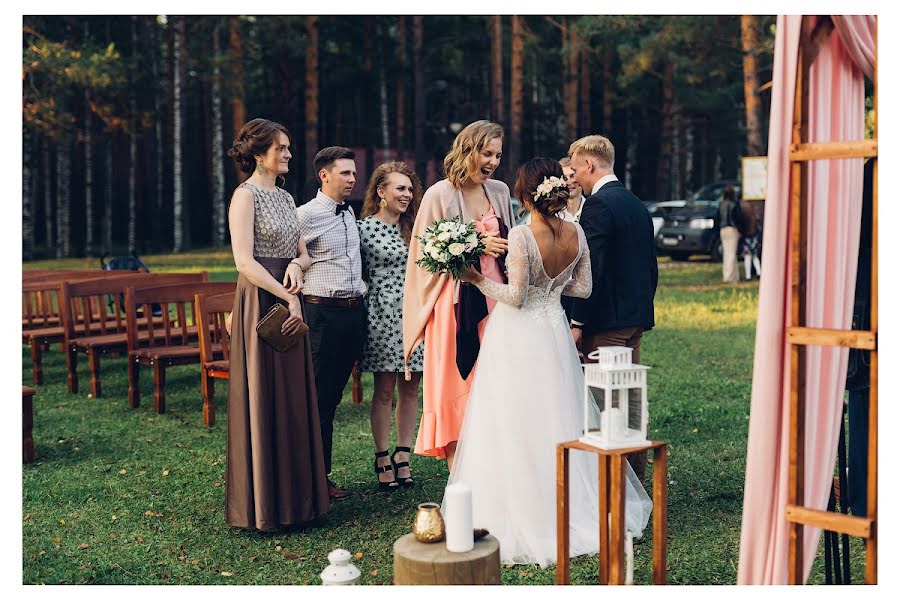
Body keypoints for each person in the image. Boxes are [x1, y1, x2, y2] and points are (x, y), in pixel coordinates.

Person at [450, 157, 652, 566]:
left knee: (514, 420)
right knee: (559, 414)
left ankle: (526, 509)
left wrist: (475, 280)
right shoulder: (576, 231)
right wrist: (555, 292)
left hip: (518, 335)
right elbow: (585, 285)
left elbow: (516, 297)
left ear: (525, 192)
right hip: (554, 331)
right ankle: (571, 501)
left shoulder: (524, 235)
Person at [224, 118, 329, 530]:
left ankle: (298, 501)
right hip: (260, 299)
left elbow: (303, 253)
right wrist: (286, 295)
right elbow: (244, 261)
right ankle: (265, 504)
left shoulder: (286, 198)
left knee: (291, 394)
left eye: (288, 147)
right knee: (264, 393)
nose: (288, 154)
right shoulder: (244, 197)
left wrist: (298, 270)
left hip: (288, 293)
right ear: (259, 153)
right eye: (281, 148)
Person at [402, 120, 514, 471]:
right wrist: (475, 243)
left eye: (497, 154)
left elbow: (512, 247)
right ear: (468, 149)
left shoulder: (498, 191)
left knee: (495, 385)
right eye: (486, 152)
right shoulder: (439, 194)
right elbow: (424, 258)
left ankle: (495, 469)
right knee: (458, 385)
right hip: (452, 307)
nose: (493, 161)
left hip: (497, 302)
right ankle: (460, 479)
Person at [568, 134, 658, 481]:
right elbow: (650, 265)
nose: (574, 176)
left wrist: (578, 320)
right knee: (629, 401)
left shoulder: (599, 204)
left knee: (607, 406)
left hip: (606, 323)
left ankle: (617, 486)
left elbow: (594, 268)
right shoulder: (635, 202)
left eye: (576, 169)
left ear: (589, 164)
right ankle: (635, 483)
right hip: (633, 320)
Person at [296, 146, 367, 501]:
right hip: (321, 315)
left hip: (353, 314)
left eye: (354, 173)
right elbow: (285, 260)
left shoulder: (349, 214)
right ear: (324, 175)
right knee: (318, 400)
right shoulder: (304, 215)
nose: (353, 179)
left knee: (333, 399)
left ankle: (319, 476)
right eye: (345, 173)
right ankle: (313, 481)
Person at [358, 161, 425, 491]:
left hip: (415, 314)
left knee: (411, 388)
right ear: (381, 192)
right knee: (384, 390)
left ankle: (403, 453)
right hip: (382, 314)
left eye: (410, 189)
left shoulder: (416, 228)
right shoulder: (364, 229)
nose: (407, 195)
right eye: (400, 188)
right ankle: (382, 455)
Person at [718, 186, 743, 283]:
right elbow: (738, 218)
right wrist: (740, 229)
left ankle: (733, 275)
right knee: (732, 253)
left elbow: (718, 218)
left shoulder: (721, 204)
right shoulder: (734, 204)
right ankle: (729, 277)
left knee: (727, 253)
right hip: (732, 229)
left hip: (723, 229)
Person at [740, 208, 762, 280]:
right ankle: (759, 273)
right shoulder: (757, 220)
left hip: (747, 240)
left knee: (748, 258)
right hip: (754, 240)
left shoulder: (745, 220)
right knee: (754, 257)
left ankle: (748, 275)